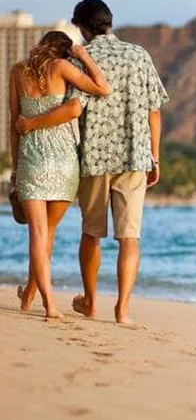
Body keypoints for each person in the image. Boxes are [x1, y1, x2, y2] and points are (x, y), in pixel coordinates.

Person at [17, 0, 169, 324]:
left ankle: (90, 302)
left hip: (93, 158)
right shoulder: (139, 54)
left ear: (82, 27)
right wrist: (155, 157)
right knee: (130, 237)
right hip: (134, 156)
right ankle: (122, 310)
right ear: (108, 22)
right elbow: (154, 110)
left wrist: (29, 124)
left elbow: (72, 108)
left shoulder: (81, 58)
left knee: (91, 233)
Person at [9, 30, 112, 319]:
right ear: (64, 52)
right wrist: (83, 56)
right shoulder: (62, 67)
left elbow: (14, 124)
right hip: (64, 162)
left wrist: (16, 168)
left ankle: (45, 302)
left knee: (38, 235)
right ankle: (35, 297)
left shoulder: (17, 72)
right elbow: (103, 88)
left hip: (32, 160)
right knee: (49, 234)